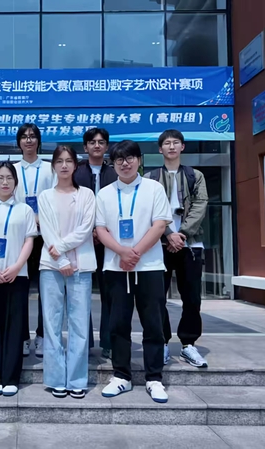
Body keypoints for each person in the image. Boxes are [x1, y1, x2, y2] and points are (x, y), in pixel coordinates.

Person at [96, 140, 170, 404]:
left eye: (130, 158)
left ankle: (154, 378)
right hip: (116, 268)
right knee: (118, 324)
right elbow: (100, 229)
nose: (124, 163)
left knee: (153, 325)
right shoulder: (104, 193)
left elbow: (159, 225)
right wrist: (122, 252)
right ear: (113, 164)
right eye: (119, 159)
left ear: (139, 160)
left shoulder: (154, 188)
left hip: (149, 267)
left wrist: (134, 252)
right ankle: (121, 376)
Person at [144, 129, 209, 369]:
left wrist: (182, 234)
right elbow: (148, 209)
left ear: (182, 147)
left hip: (190, 245)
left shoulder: (195, 176)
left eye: (176, 143)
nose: (171, 147)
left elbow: (201, 205)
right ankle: (161, 342)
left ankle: (188, 344)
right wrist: (169, 234)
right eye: (167, 143)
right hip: (158, 245)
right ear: (160, 149)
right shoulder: (150, 178)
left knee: (191, 297)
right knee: (156, 297)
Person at [38, 145, 96, 399]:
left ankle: (77, 379)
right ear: (53, 165)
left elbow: (85, 229)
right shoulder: (45, 196)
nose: (64, 165)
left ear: (75, 165)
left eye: (68, 161)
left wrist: (60, 248)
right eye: (59, 161)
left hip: (81, 265)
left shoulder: (86, 195)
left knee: (79, 323)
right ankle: (55, 378)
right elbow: (47, 230)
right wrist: (61, 259)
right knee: (51, 323)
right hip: (51, 266)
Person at [0, 162, 37, 397]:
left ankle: (11, 377)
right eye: (0, 178)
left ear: (15, 182)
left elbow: (29, 241)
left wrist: (17, 266)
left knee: (14, 326)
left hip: (17, 275)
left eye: (9, 178)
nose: (5, 182)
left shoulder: (24, 210)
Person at [74, 128, 117, 359]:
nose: (97, 146)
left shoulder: (115, 173)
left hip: (109, 242)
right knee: (81, 292)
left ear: (107, 146)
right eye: (92, 142)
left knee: (109, 293)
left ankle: (109, 342)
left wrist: (103, 231)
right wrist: (87, 231)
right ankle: (84, 342)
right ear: (85, 147)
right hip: (82, 241)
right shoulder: (76, 173)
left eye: (101, 142)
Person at [13, 124, 54, 358]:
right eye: (24, 137)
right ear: (18, 142)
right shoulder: (12, 169)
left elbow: (55, 199)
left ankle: (41, 336)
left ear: (38, 141)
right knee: (20, 288)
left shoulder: (49, 168)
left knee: (46, 288)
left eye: (32, 136)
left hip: (45, 236)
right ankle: (21, 336)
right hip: (20, 237)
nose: (28, 140)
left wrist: (41, 219)